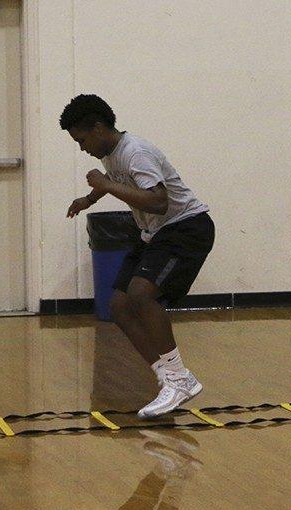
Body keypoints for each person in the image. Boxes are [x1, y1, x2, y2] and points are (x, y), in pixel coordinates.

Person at [60, 94, 214, 418]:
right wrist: (89, 198)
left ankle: (179, 377)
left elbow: (158, 201)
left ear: (99, 128)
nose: (81, 147)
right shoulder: (112, 153)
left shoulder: (137, 152)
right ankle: (169, 378)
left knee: (142, 295)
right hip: (155, 233)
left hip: (185, 228)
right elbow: (117, 180)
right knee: (117, 305)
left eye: (82, 139)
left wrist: (103, 184)